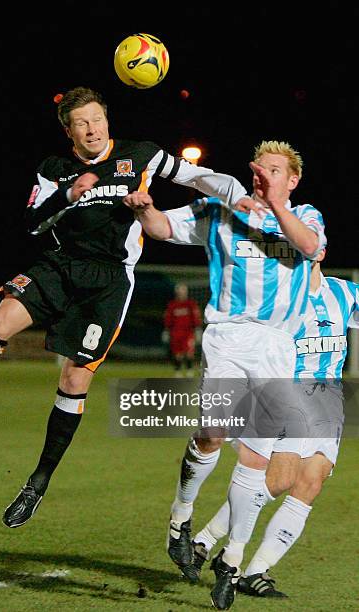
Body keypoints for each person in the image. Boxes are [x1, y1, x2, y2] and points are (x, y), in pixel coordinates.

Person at [0, 86, 257, 529]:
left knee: (75, 376)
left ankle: (38, 481)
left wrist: (236, 196)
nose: (92, 129)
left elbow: (198, 178)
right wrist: (68, 194)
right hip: (59, 265)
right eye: (81, 123)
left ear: (107, 121)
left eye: (97, 119)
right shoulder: (53, 169)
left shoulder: (141, 155)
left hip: (109, 280)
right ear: (69, 132)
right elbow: (33, 223)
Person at [124, 140, 327, 609]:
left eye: (277, 171)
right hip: (229, 336)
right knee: (213, 434)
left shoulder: (307, 216)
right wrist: (144, 209)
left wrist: (276, 206)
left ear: (292, 180)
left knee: (255, 459)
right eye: (262, 169)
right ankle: (181, 516)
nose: (266, 175)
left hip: (277, 345)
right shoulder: (218, 209)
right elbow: (161, 228)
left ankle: (231, 560)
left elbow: (310, 246)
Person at [192, 249, 359, 598]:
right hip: (285, 391)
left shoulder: (344, 292)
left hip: (328, 398)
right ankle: (206, 541)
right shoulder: (278, 297)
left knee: (311, 482)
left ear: (322, 248)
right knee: (278, 478)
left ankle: (254, 571)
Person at [163, 283, 201, 377]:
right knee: (177, 354)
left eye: (183, 291)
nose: (181, 293)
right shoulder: (172, 305)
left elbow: (196, 317)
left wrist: (197, 329)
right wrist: (166, 330)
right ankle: (178, 372)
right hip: (175, 333)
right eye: (180, 291)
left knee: (189, 353)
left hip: (188, 333)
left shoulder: (191, 304)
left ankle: (189, 371)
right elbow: (168, 318)